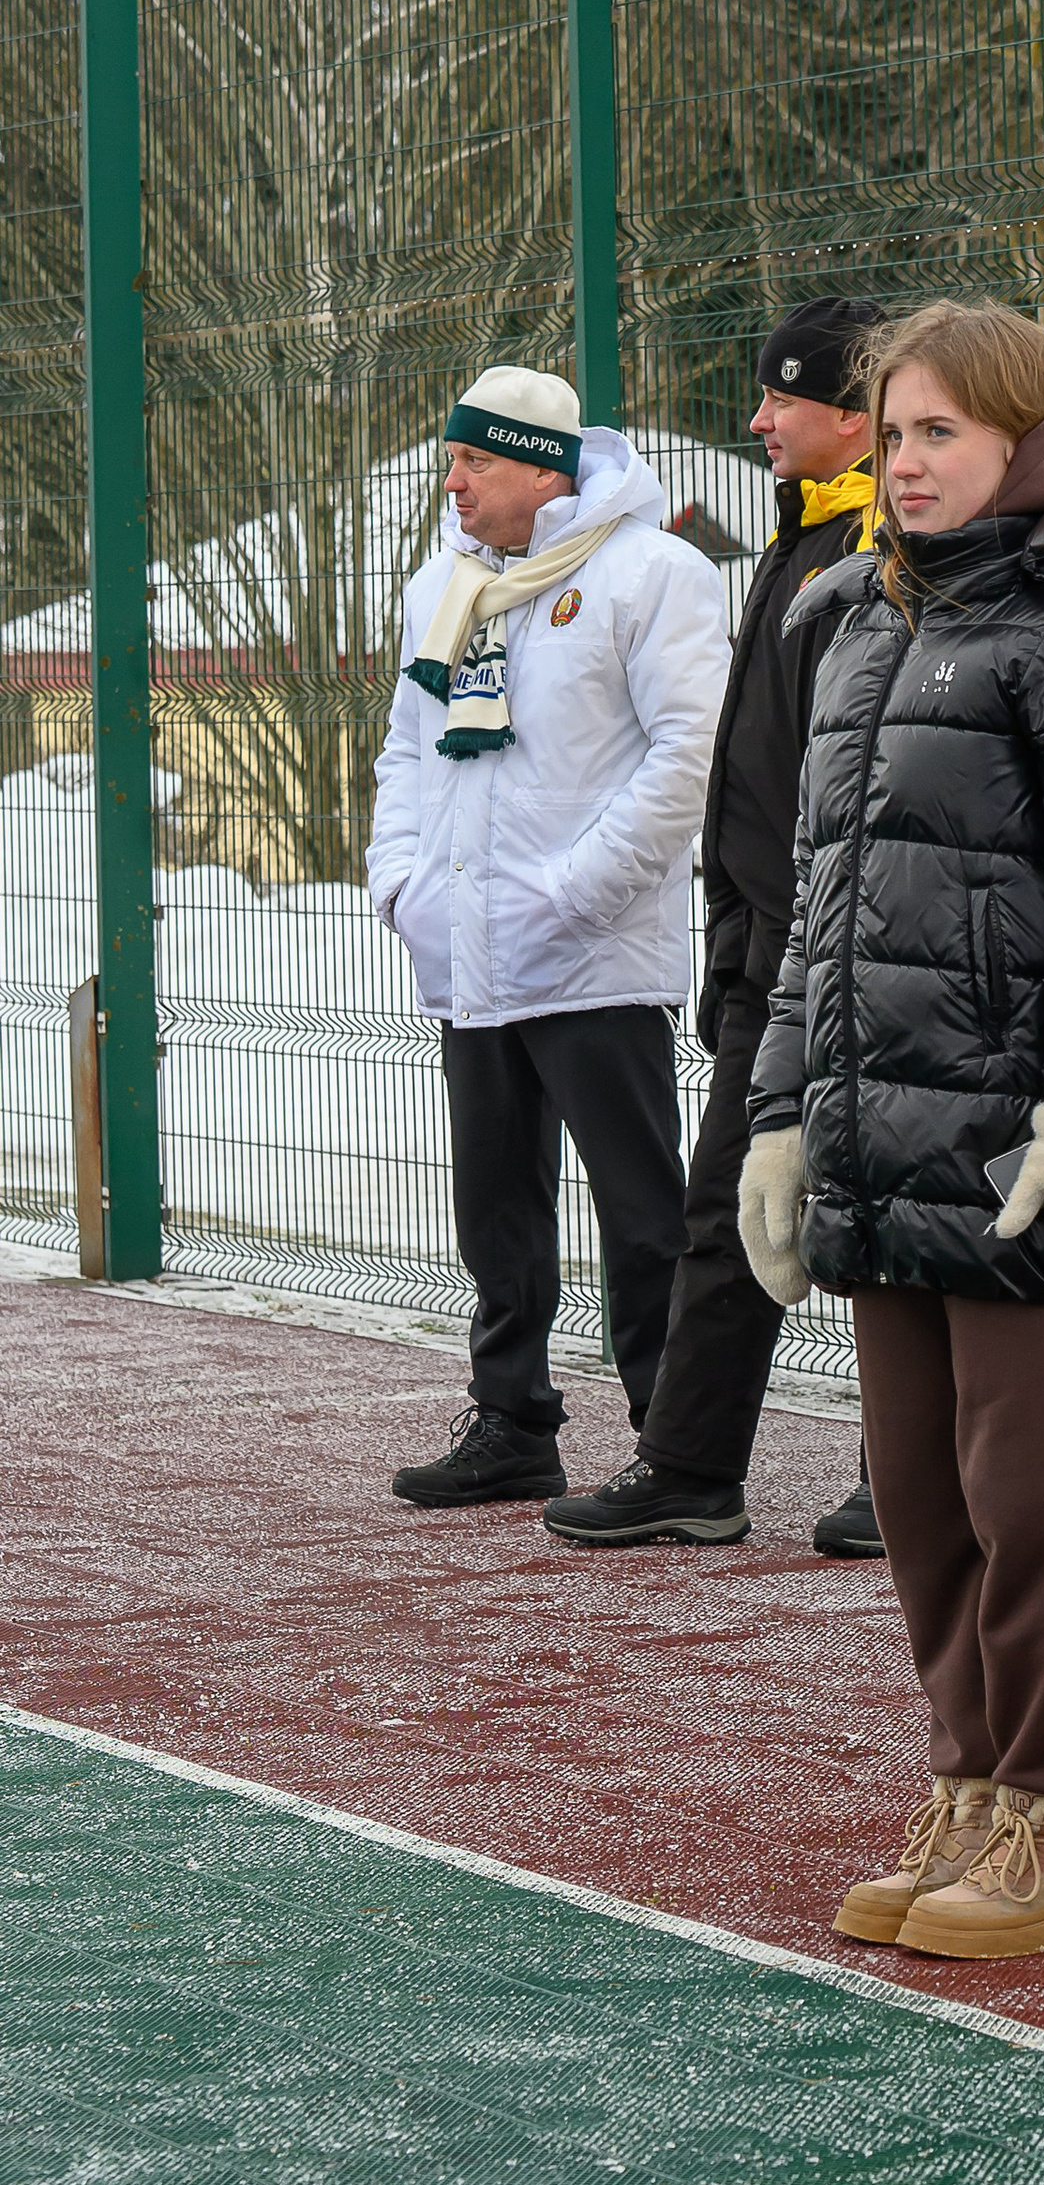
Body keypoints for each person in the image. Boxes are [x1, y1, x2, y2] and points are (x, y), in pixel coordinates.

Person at [739, 302, 1044, 1959]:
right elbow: (825, 912)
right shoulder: (856, 625)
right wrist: (785, 1118)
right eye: (894, 433)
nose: (906, 463)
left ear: (1023, 436)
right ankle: (974, 1779)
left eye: (939, 434)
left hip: (1021, 1152)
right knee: (925, 1491)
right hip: (880, 1141)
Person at [543, 299, 895, 1552]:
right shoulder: (798, 541)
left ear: (854, 416)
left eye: (781, 398)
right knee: (731, 1210)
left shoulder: (888, 552)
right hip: (772, 956)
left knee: (878, 1213)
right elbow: (754, 771)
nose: (755, 421)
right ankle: (692, 1466)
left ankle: (899, 1477)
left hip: (859, 954)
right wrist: (738, 940)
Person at [368, 366, 730, 1503]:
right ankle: (512, 1419)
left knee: (638, 1210)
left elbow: (688, 754)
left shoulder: (651, 572)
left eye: (474, 459)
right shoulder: (451, 580)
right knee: (496, 1201)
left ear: (539, 464)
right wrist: (401, 886)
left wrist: (576, 890)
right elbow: (405, 754)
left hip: (592, 952)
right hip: (469, 947)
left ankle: (672, 1447)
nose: (454, 480)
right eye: (453, 458)